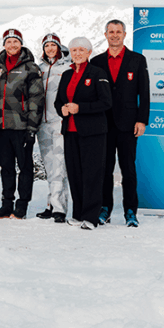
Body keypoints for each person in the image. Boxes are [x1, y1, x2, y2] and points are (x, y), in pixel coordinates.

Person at [89, 19, 150, 228]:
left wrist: (142, 120)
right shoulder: (96, 62)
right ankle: (104, 209)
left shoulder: (137, 60)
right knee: (104, 170)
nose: (115, 35)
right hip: (103, 125)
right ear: (105, 35)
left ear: (124, 35)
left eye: (118, 32)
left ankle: (131, 211)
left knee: (128, 170)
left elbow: (145, 93)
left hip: (128, 124)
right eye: (111, 32)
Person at [55, 37, 112, 230]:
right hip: (70, 131)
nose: (77, 53)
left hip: (93, 132)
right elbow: (58, 102)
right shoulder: (66, 74)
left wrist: (80, 108)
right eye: (74, 50)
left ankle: (91, 216)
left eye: (81, 50)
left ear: (89, 52)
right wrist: (61, 109)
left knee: (92, 174)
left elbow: (106, 102)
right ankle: (78, 214)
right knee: (75, 174)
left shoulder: (97, 73)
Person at [0, 29, 44, 220]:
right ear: (4, 45)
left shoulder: (30, 68)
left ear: (21, 44)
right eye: (8, 42)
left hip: (21, 126)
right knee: (6, 167)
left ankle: (21, 206)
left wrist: (31, 128)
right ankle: (6, 204)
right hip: (1, 126)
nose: (12, 45)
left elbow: (36, 99)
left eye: (15, 42)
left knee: (25, 167)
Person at [34, 33, 71, 223]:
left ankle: (59, 208)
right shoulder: (39, 68)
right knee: (50, 166)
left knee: (59, 166)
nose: (50, 48)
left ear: (59, 47)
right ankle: (51, 203)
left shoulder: (67, 67)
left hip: (59, 122)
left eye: (53, 45)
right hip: (42, 123)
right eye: (46, 45)